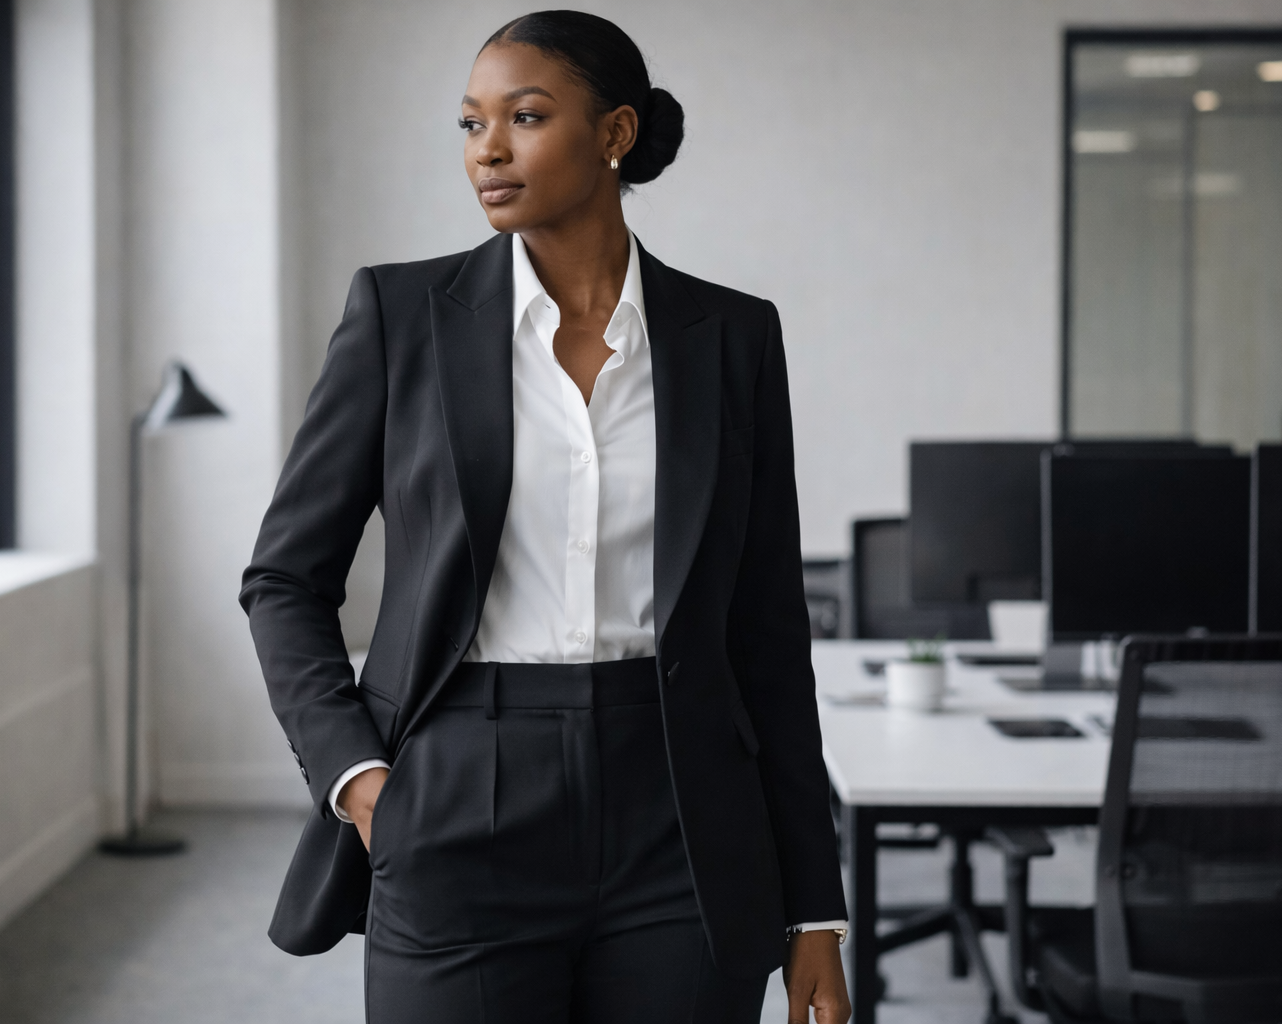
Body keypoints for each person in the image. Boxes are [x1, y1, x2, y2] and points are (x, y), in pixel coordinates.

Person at [240, 10, 850, 1022]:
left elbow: (768, 633)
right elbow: (284, 579)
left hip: (682, 811)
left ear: (614, 133)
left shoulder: (731, 337)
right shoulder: (401, 317)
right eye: (470, 122)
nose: (487, 149)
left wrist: (814, 908)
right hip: (459, 792)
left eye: (524, 117)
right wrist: (360, 778)